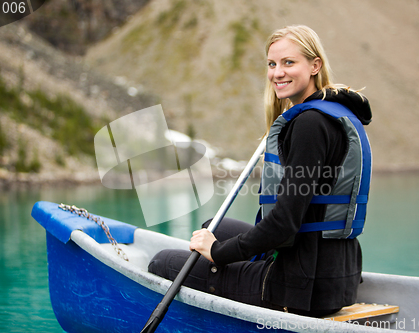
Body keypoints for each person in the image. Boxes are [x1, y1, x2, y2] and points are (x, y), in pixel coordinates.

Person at [148, 24, 372, 317]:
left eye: (289, 62)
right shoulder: (336, 111)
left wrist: (218, 253)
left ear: (315, 65)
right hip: (335, 274)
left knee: (162, 262)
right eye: (272, 64)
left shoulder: (309, 125)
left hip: (299, 288)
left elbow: (283, 224)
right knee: (213, 225)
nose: (277, 73)